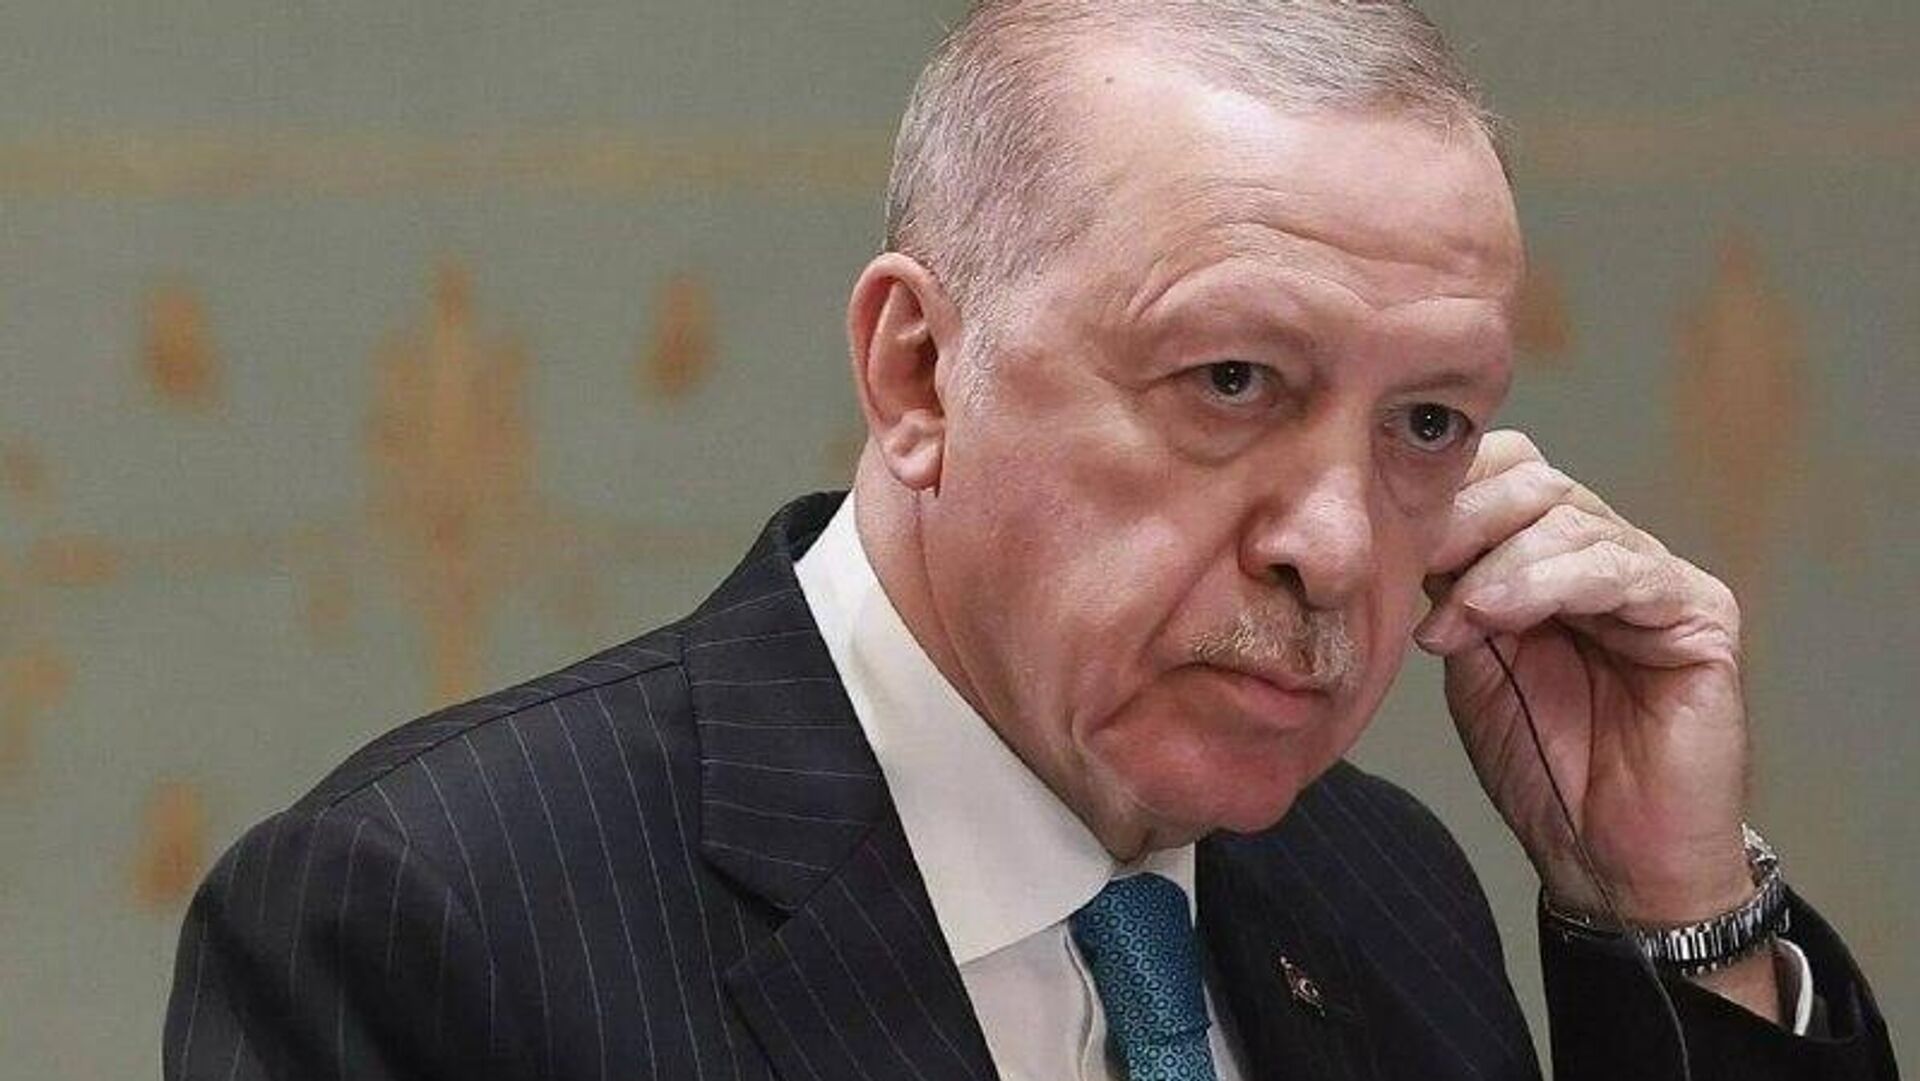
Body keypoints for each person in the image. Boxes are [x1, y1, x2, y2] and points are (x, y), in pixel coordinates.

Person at [163, 2, 1897, 1079]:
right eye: (1231, 379)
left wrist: (1668, 904)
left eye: (1427, 421)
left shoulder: (1380, 887)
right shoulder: (436, 916)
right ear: (919, 372)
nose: (1337, 544)